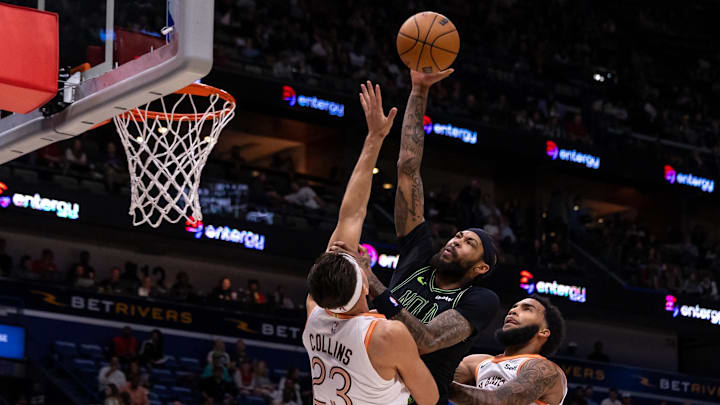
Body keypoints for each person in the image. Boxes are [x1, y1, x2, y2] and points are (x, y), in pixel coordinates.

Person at [334, 69, 500, 405]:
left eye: (469, 242)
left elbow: (425, 339)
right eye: (457, 235)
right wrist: (419, 90)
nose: (455, 240)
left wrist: (373, 281)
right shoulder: (420, 253)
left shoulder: (479, 300)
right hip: (368, 392)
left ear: (481, 267)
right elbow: (409, 167)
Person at [304, 81, 438, 405]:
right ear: (364, 284)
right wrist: (375, 136)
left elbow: (350, 216)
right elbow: (430, 397)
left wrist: (375, 137)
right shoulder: (386, 334)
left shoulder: (316, 315)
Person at [449, 295, 568, 405]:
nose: (512, 311)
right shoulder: (477, 362)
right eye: (514, 307)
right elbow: (435, 378)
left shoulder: (546, 370)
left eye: (527, 309)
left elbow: (499, 401)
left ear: (543, 331)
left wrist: (442, 385)